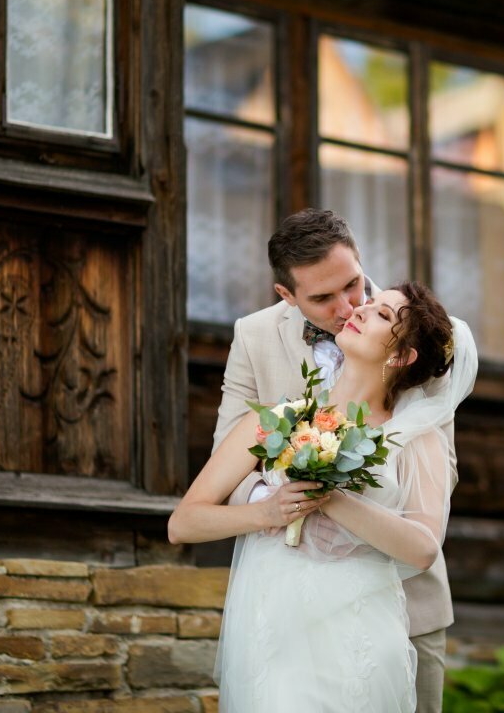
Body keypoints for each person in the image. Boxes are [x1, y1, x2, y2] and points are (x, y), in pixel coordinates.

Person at [168, 279, 477, 712]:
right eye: (371, 305)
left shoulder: (416, 437)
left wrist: (331, 497)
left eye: (384, 315)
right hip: (276, 630)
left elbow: (424, 548)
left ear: (401, 356)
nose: (362, 311)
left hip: (361, 636)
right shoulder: (280, 419)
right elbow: (183, 523)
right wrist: (267, 512)